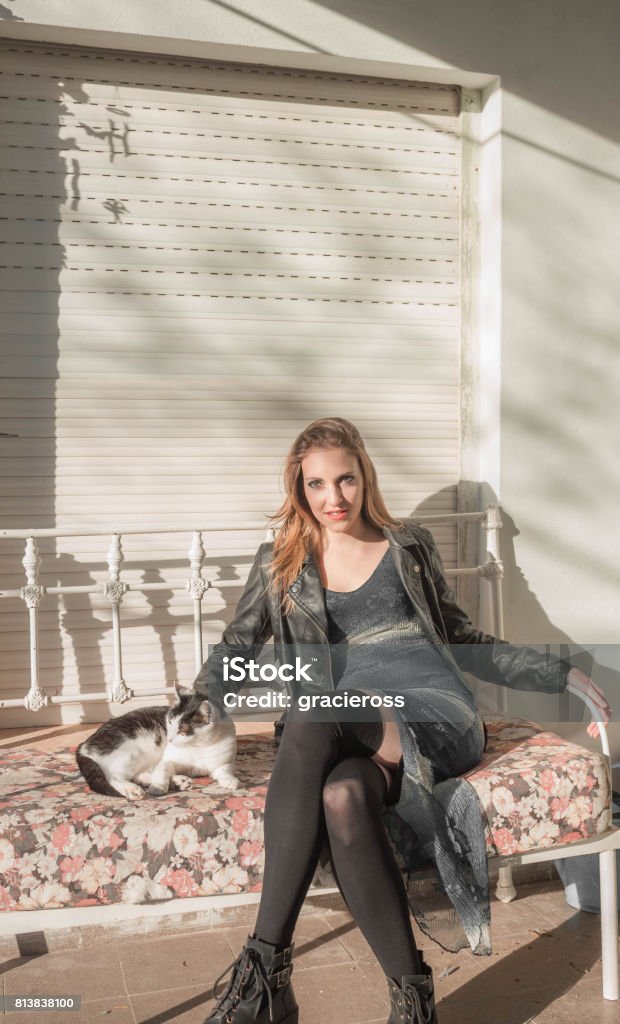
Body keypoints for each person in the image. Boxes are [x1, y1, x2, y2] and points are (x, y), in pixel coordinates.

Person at [193, 417, 610, 1024]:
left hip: (428, 709)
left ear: (366, 477)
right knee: (342, 795)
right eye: (316, 485)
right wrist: (178, 720)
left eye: (346, 480)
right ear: (298, 488)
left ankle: (261, 976)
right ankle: (413, 1002)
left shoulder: (407, 547)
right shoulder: (281, 561)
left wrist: (557, 672)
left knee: (311, 711)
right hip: (341, 723)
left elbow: (463, 636)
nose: (333, 499)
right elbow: (235, 649)